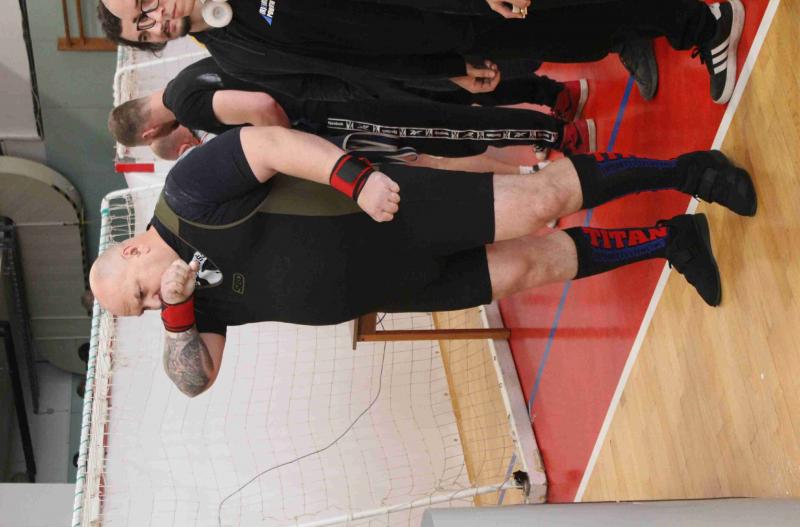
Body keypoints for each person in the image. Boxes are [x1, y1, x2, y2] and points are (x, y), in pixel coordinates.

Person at [90, 126, 756, 397]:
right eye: (141, 310)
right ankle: (672, 240)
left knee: (540, 201)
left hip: (391, 211)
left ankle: (689, 170)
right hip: (402, 284)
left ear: (133, 250)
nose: (150, 306)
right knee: (532, 267)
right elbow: (195, 379)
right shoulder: (189, 309)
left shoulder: (187, 197)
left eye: (138, 293)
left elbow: (264, 143)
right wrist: (175, 312)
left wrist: (354, 178)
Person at [98, 0, 743, 104]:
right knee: (572, 36)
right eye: (143, 29)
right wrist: (443, 76)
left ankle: (705, 23)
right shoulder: (235, 59)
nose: (155, 20)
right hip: (451, 42)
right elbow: (337, 79)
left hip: (452, 4)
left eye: (145, 5)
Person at [111, 57, 595, 158]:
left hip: (331, 106)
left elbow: (258, 104)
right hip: (342, 78)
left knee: (443, 124)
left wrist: (289, 143)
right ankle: (556, 94)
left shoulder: (189, 104)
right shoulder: (185, 76)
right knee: (449, 92)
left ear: (148, 134)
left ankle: (557, 133)